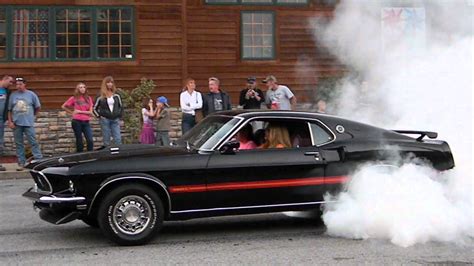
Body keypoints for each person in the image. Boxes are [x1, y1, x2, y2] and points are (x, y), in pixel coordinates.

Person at [7, 77, 42, 169]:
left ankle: (38, 160)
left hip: (28, 123)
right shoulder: (13, 95)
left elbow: (38, 107)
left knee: (33, 142)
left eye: (20, 84)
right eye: (17, 84)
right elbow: (9, 110)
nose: (18, 86)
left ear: (24, 84)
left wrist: (33, 116)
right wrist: (10, 121)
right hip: (16, 123)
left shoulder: (31, 94)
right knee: (19, 143)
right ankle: (21, 162)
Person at [61, 82, 94, 152]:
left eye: (84, 87)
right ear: (77, 89)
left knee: (90, 140)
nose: (82, 89)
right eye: (80, 87)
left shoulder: (88, 98)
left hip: (86, 122)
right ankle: (80, 155)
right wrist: (72, 113)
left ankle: (90, 154)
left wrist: (79, 111)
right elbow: (63, 106)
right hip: (76, 121)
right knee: (79, 140)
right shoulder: (74, 98)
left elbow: (90, 112)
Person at [93, 76, 123, 147]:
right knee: (106, 139)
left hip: (115, 119)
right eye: (108, 82)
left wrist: (120, 117)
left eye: (111, 82)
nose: (110, 84)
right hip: (105, 120)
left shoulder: (117, 95)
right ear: (105, 84)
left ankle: (118, 154)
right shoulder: (100, 96)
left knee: (118, 139)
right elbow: (94, 108)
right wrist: (99, 116)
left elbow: (121, 107)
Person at [0, 75, 14, 171]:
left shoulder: (8, 92)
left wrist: (8, 119)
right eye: (10, 82)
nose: (11, 84)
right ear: (4, 80)